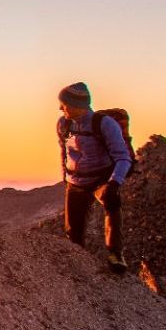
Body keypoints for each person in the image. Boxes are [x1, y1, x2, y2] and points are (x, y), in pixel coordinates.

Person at [58, 82, 133, 273]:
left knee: (112, 204)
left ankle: (116, 254)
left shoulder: (105, 124)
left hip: (101, 179)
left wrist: (114, 183)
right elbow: (63, 152)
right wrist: (65, 178)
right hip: (75, 183)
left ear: (77, 105)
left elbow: (123, 157)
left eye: (64, 104)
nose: (60, 108)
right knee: (73, 233)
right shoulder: (63, 124)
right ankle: (78, 264)